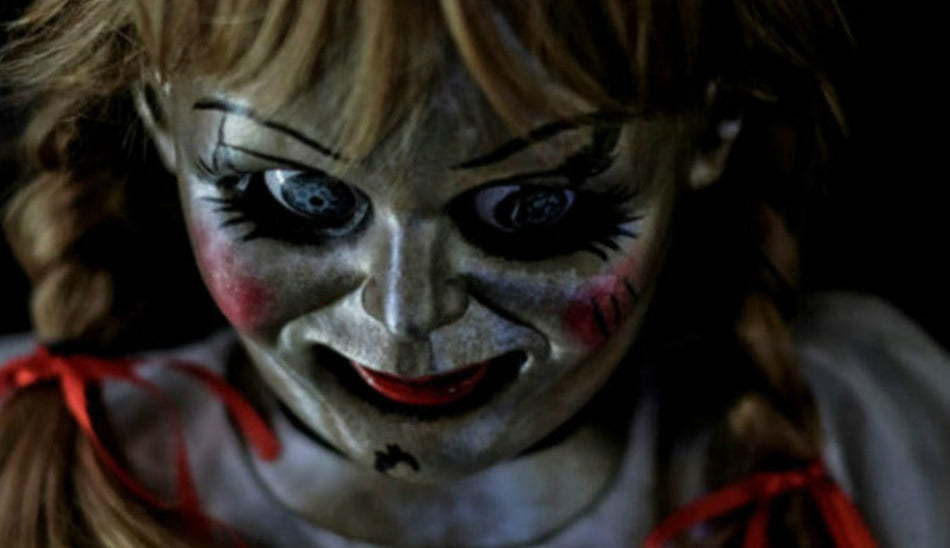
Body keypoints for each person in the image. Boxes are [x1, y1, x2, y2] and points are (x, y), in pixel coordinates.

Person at [0, 1, 947, 546]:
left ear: (713, 129)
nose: (406, 314)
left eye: (533, 209)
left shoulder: (874, 429)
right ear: (158, 117)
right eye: (299, 197)